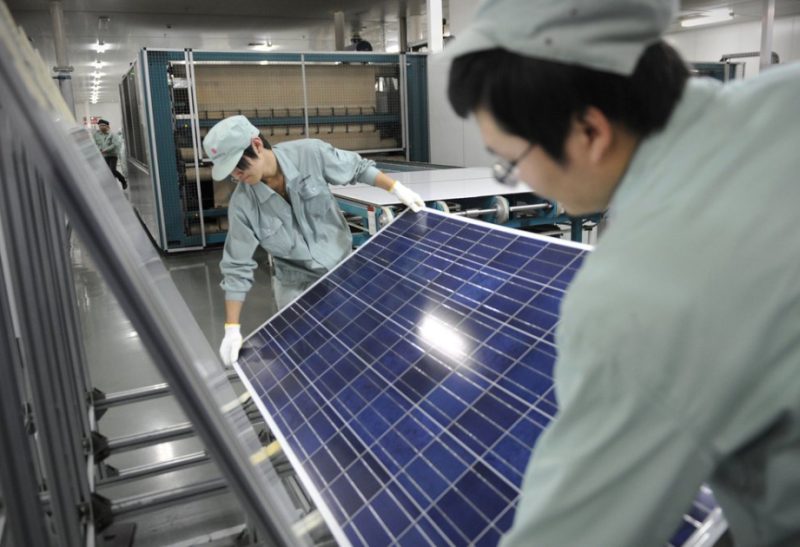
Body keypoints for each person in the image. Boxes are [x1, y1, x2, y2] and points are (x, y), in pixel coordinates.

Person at [444, 0, 800, 545]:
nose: (521, 181)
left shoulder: (634, 300)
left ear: (589, 130)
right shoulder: (784, 96)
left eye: (510, 161)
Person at [202, 115, 425, 367]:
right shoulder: (243, 205)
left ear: (256, 145)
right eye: (231, 172)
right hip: (296, 286)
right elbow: (236, 266)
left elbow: (358, 169)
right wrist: (232, 328)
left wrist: (395, 188)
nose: (237, 175)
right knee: (308, 359)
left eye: (239, 166)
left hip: (343, 270)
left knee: (359, 349)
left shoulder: (310, 154)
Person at [92, 119, 127, 189]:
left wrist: (106, 149)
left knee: (112, 170)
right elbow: (95, 143)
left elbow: (115, 144)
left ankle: (123, 180)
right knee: (108, 172)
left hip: (112, 155)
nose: (101, 127)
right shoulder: (96, 135)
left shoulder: (112, 134)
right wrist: (99, 149)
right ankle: (113, 185)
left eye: (103, 125)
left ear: (107, 126)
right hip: (104, 155)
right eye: (100, 125)